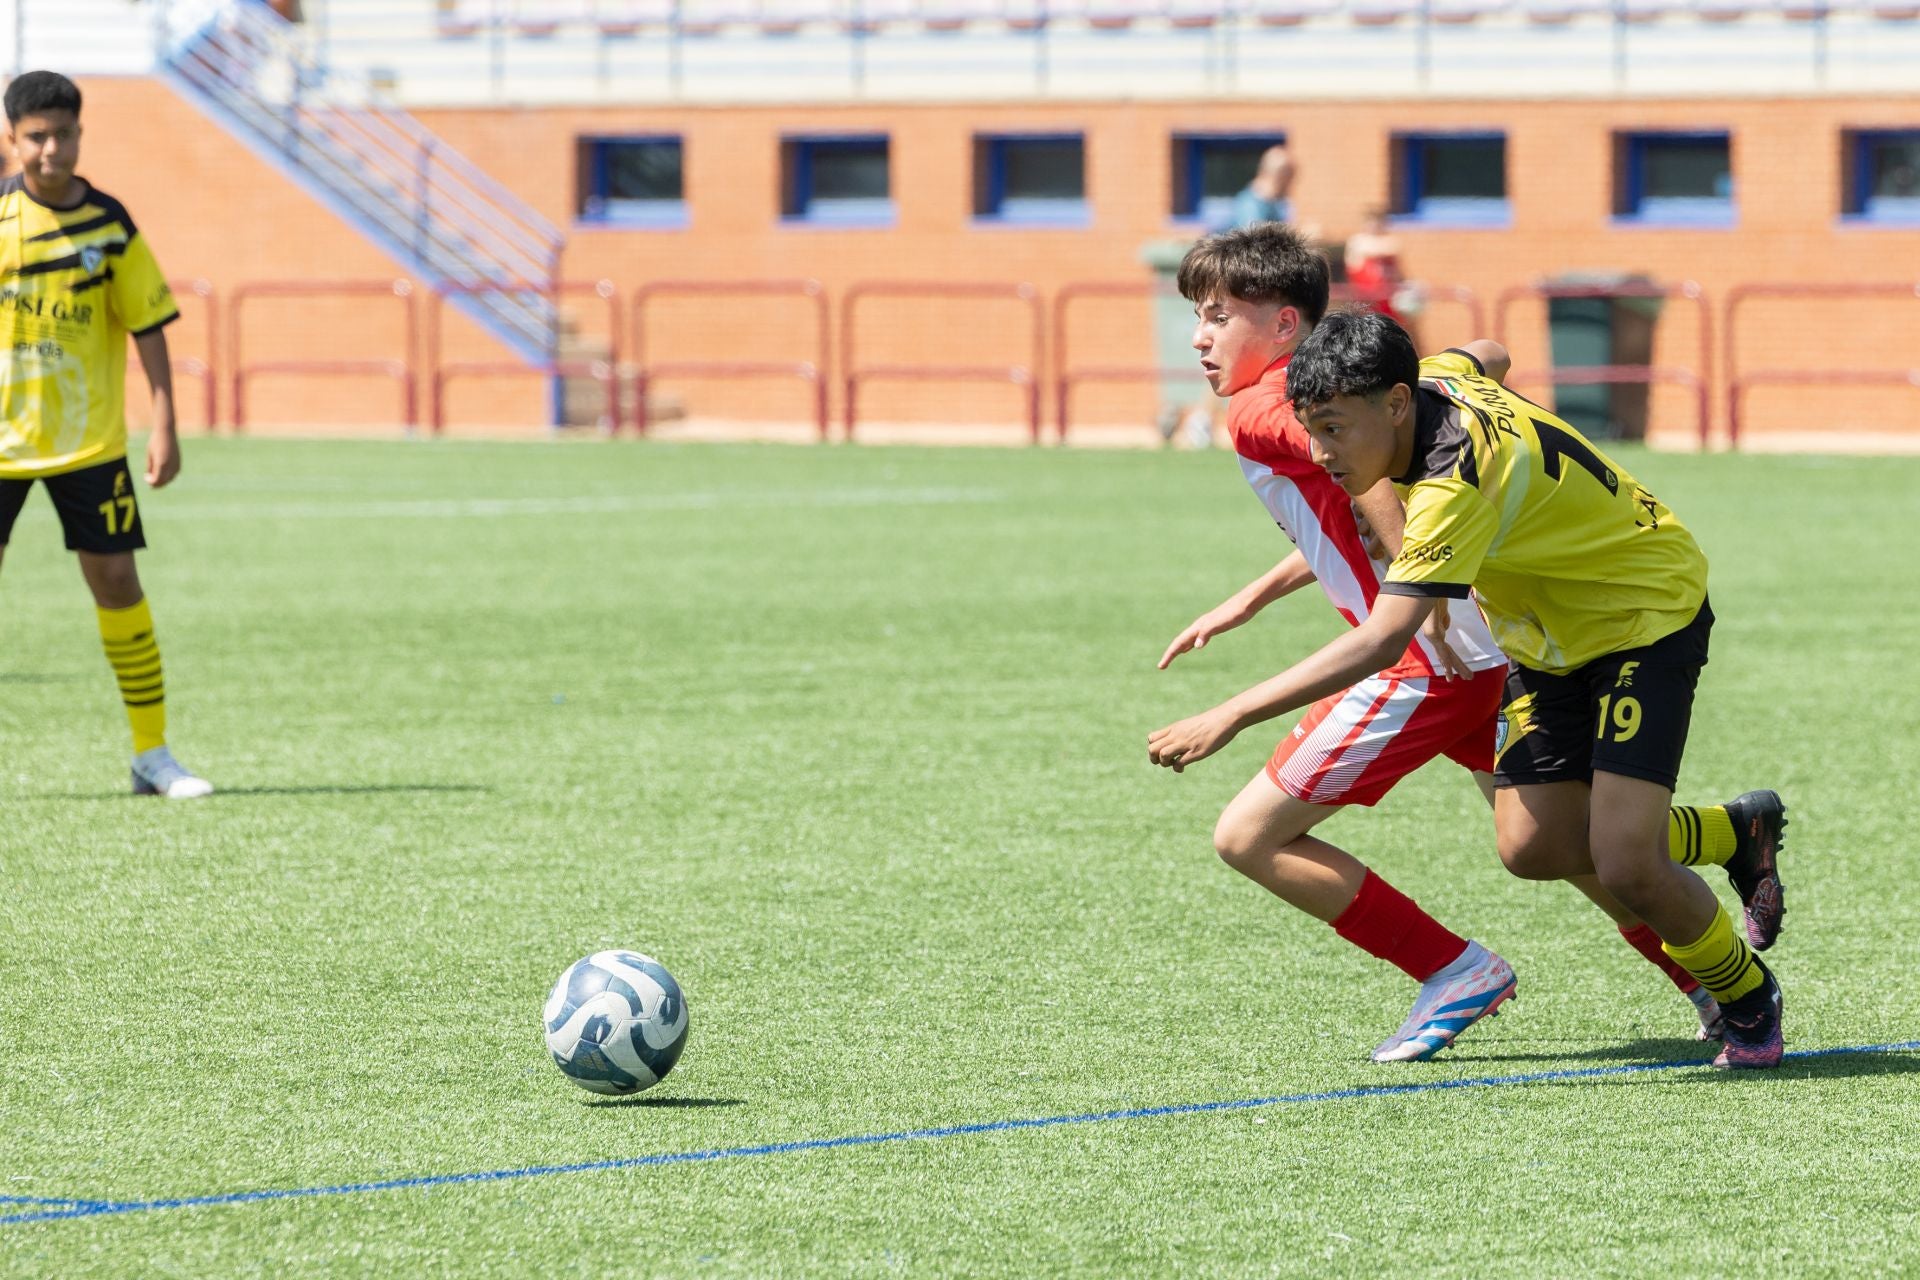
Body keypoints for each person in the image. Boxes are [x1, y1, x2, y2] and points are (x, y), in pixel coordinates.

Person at [1160, 223, 1752, 1062]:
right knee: (1561, 845)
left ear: (1286, 324)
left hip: (1425, 663)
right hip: (1484, 650)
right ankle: (1711, 965)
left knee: (1247, 837)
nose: (1200, 336)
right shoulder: (1363, 388)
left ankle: (1451, 969)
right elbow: (1459, 383)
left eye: (1218, 316)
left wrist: (1411, 570)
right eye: (1199, 316)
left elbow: (1373, 483)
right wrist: (1253, 597)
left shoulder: (1267, 404)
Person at [0, 71, 212, 798]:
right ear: (12, 139)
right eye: (36, 137)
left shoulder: (110, 223)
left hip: (88, 443)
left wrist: (165, 423)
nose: (51, 150)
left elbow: (148, 324)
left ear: (80, 134)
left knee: (118, 582)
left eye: (63, 134)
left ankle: (153, 754)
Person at [1229, 145, 1297, 231]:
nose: (1291, 185)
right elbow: (1253, 237)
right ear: (1282, 177)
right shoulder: (1249, 206)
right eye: (1289, 179)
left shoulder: (1278, 204)